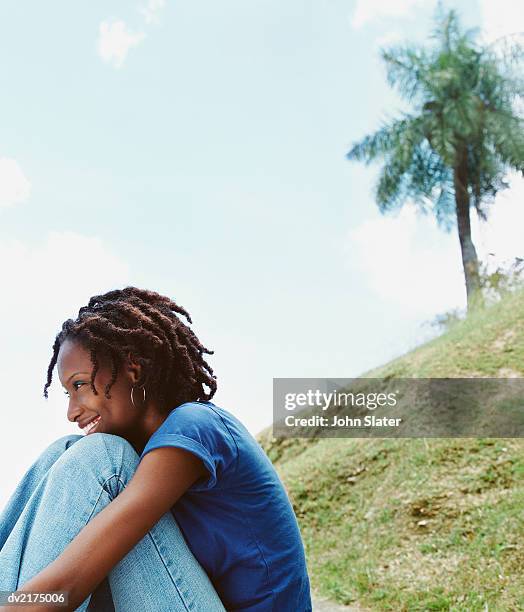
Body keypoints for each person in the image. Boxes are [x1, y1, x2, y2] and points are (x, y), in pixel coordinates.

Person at [0, 287, 312, 611]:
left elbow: (69, 584)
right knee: (64, 450)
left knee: (102, 457)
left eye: (79, 385)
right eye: (68, 393)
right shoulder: (146, 455)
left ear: (132, 369)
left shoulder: (196, 425)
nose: (72, 412)